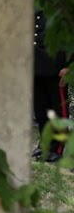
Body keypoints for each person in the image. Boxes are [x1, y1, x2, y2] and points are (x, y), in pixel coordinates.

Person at [33, 10, 68, 162]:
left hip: (57, 66)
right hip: (36, 65)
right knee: (41, 110)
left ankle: (58, 148)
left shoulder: (63, 5)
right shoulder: (36, 4)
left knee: (58, 110)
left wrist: (69, 66)